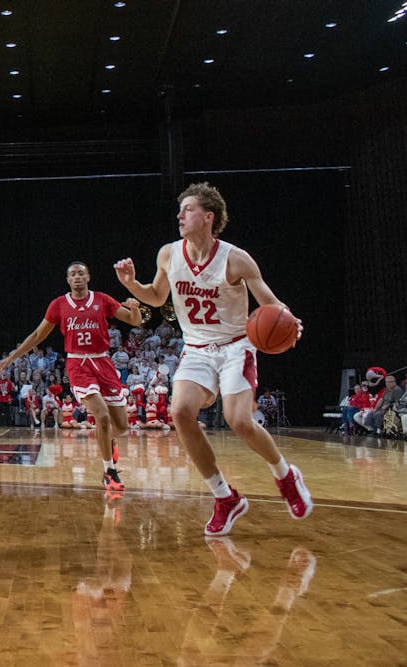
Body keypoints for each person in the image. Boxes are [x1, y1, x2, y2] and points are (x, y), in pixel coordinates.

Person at [114, 181, 313, 536]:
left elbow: (268, 299)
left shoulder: (235, 259)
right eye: (180, 210)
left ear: (208, 216)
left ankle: (285, 475)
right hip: (197, 348)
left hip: (237, 345)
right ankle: (225, 497)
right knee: (179, 412)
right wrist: (132, 284)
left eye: (187, 209)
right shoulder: (168, 254)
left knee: (239, 420)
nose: (180, 215)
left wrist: (288, 318)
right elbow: (157, 297)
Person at [0, 261, 142, 493]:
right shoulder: (59, 305)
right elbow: (37, 335)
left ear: (88, 277)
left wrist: (134, 307)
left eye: (81, 273)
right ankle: (109, 471)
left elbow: (134, 320)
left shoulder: (102, 299)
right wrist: (12, 357)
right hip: (78, 364)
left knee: (122, 426)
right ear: (67, 280)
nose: (76, 277)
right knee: (102, 416)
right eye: (72, 274)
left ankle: (108, 440)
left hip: (103, 362)